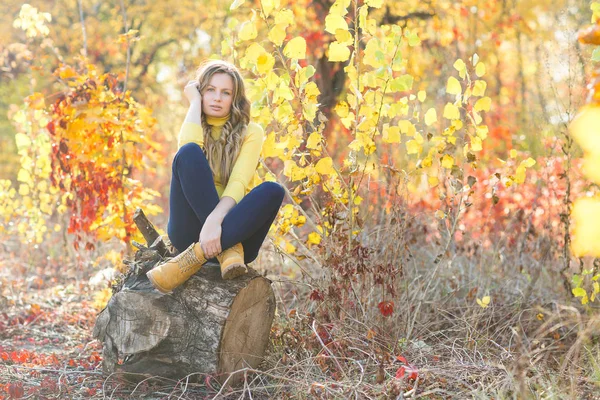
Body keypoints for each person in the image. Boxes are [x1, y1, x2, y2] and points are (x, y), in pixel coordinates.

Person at [146, 60, 285, 293]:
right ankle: (227, 251)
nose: (217, 98)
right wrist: (194, 103)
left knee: (273, 190)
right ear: (201, 93)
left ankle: (194, 258)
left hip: (238, 236)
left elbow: (239, 182)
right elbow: (185, 153)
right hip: (190, 233)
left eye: (225, 92)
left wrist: (214, 221)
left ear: (235, 98)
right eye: (210, 90)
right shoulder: (194, 124)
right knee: (188, 152)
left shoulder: (252, 132)